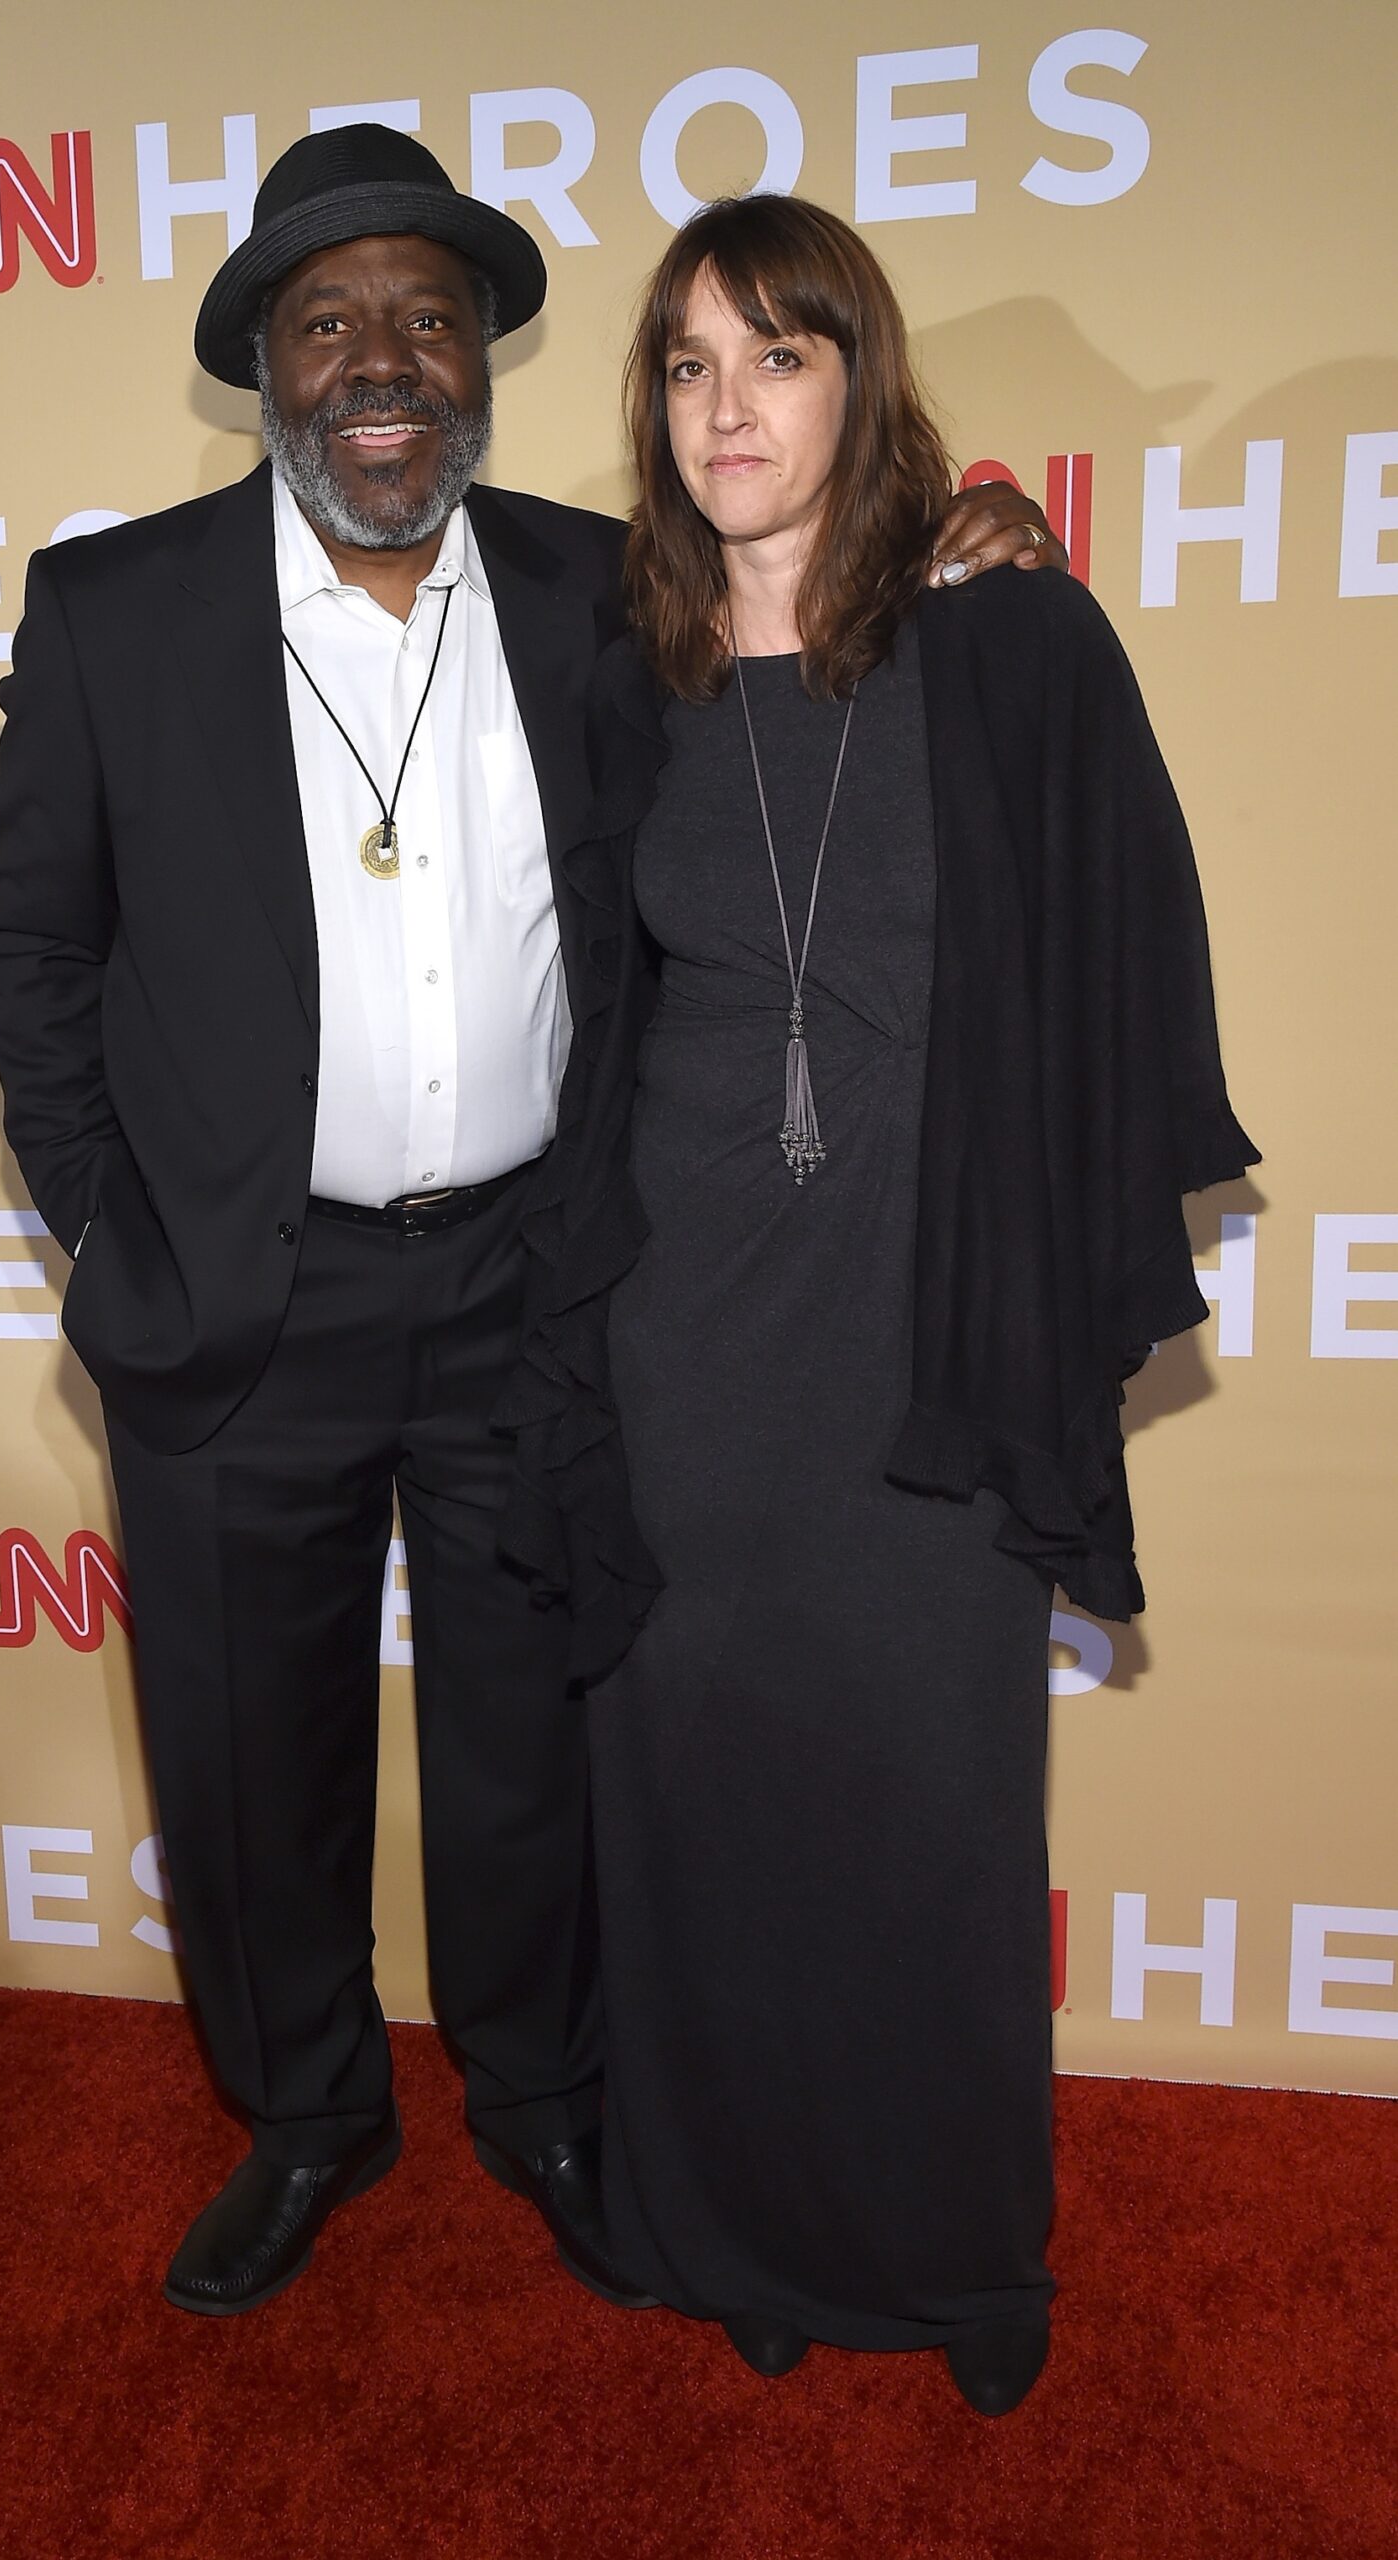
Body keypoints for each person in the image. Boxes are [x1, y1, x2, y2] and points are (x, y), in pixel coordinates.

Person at [0, 125, 1062, 2322]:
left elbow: (799, 663)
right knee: (245, 1755)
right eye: (327, 322)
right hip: (234, 1310)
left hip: (527, 1291)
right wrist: (121, 1234)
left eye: (426, 318)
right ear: (264, 367)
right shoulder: (116, 613)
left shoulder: (602, 592)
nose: (382, 362)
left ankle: (543, 2095)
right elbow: (41, 963)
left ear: (478, 357)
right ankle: (305, 2117)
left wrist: (955, 549)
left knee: (523, 1745)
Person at [500, 192, 1256, 2410]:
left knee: (921, 1807)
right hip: (678, 1324)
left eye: (777, 355)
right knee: (698, 1803)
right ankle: (722, 2220)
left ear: (861, 380)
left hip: (919, 1317)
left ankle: (950, 2256)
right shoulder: (613, 664)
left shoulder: (1006, 640)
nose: (726, 406)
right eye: (684, 364)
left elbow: (1129, 952)